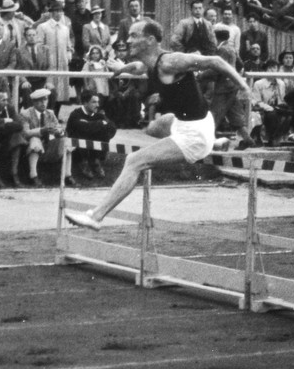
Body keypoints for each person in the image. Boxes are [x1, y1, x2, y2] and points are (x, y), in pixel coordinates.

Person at [64, 19, 250, 231]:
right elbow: (137, 67)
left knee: (134, 161)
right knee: (152, 128)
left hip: (194, 134)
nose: (128, 39)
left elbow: (216, 61)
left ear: (150, 40)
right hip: (189, 122)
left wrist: (243, 85)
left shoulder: (170, 61)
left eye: (134, 35)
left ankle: (96, 216)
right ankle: (214, 143)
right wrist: (119, 68)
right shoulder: (150, 62)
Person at [19, 87, 75, 187]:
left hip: (48, 145)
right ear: (34, 102)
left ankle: (68, 175)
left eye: (45, 100)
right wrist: (41, 130)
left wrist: (59, 132)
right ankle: (33, 175)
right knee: (35, 140)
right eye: (40, 101)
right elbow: (25, 133)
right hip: (30, 149)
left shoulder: (50, 113)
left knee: (66, 141)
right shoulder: (25, 114)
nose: (43, 103)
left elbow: (59, 128)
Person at [66, 89, 118, 179]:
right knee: (81, 133)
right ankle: (82, 162)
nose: (97, 105)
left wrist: (91, 125)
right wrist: (100, 124)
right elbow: (82, 128)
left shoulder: (98, 115)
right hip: (75, 149)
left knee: (105, 132)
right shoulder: (75, 114)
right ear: (85, 103)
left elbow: (112, 128)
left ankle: (95, 160)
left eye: (98, 102)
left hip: (91, 146)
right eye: (94, 102)